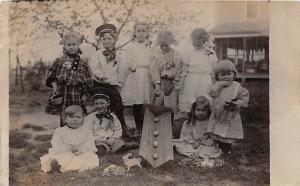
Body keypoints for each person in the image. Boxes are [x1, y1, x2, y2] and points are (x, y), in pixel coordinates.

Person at [89, 23, 131, 138]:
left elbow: (122, 68)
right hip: (99, 84)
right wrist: (100, 75)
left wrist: (121, 81)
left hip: (112, 85)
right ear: (101, 40)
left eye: (110, 39)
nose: (107, 41)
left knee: (118, 106)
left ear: (114, 40)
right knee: (102, 105)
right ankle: (101, 130)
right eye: (104, 39)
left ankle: (122, 128)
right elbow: (94, 67)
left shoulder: (118, 55)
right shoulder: (97, 54)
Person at [46, 31, 93, 126]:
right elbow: (51, 76)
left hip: (77, 94)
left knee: (77, 116)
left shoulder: (83, 63)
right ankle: (65, 137)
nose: (72, 47)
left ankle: (77, 138)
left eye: (74, 44)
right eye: (69, 44)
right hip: (63, 93)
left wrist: (85, 94)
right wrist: (54, 86)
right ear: (64, 46)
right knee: (65, 117)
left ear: (78, 45)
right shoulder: (58, 61)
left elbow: (88, 81)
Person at [207, 59, 249, 156]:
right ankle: (217, 149)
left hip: (229, 114)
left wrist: (237, 103)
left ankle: (226, 150)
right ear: (217, 76)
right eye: (222, 74)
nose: (226, 76)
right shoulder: (216, 86)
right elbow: (211, 93)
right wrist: (219, 85)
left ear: (234, 75)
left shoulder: (236, 87)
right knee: (216, 132)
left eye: (229, 74)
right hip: (218, 114)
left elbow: (245, 97)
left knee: (227, 134)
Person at [40, 105, 99, 173]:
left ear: (82, 119)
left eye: (78, 117)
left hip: (81, 153)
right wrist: (68, 147)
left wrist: (81, 149)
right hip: (66, 152)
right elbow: (56, 143)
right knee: (62, 157)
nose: (75, 119)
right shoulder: (60, 131)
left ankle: (64, 167)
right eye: (71, 117)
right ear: (65, 119)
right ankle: (57, 166)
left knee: (89, 157)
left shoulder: (86, 131)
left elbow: (89, 142)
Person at [121, 22, 153, 136]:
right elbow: (126, 61)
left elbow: (153, 61)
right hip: (135, 75)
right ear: (134, 33)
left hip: (147, 75)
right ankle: (138, 127)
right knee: (137, 102)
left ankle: (147, 127)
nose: (141, 33)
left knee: (147, 101)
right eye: (138, 31)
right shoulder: (131, 46)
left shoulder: (150, 46)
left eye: (143, 31)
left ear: (147, 33)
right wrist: (130, 66)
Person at [83, 88, 138, 154]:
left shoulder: (113, 117)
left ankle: (123, 147)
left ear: (108, 103)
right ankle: (104, 149)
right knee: (94, 145)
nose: (99, 106)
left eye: (102, 103)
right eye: (96, 104)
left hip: (111, 140)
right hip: (97, 140)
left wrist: (113, 138)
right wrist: (97, 139)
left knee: (118, 143)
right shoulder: (90, 118)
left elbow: (118, 130)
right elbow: (88, 132)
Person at [178, 28, 217, 113]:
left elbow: (214, 68)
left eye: (198, 44)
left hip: (205, 79)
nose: (196, 45)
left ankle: (204, 114)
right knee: (190, 97)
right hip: (191, 79)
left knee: (204, 96)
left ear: (204, 41)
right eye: (194, 43)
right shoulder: (188, 52)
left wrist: (214, 82)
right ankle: (190, 115)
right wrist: (181, 81)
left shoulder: (209, 52)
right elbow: (184, 68)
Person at [150, 30, 183, 121]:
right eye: (161, 46)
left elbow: (178, 70)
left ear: (171, 43)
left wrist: (173, 84)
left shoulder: (177, 55)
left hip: (171, 82)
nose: (164, 48)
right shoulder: (156, 55)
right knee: (158, 102)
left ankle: (169, 127)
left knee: (170, 105)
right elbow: (154, 70)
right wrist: (157, 84)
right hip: (160, 82)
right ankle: (157, 126)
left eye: (166, 45)